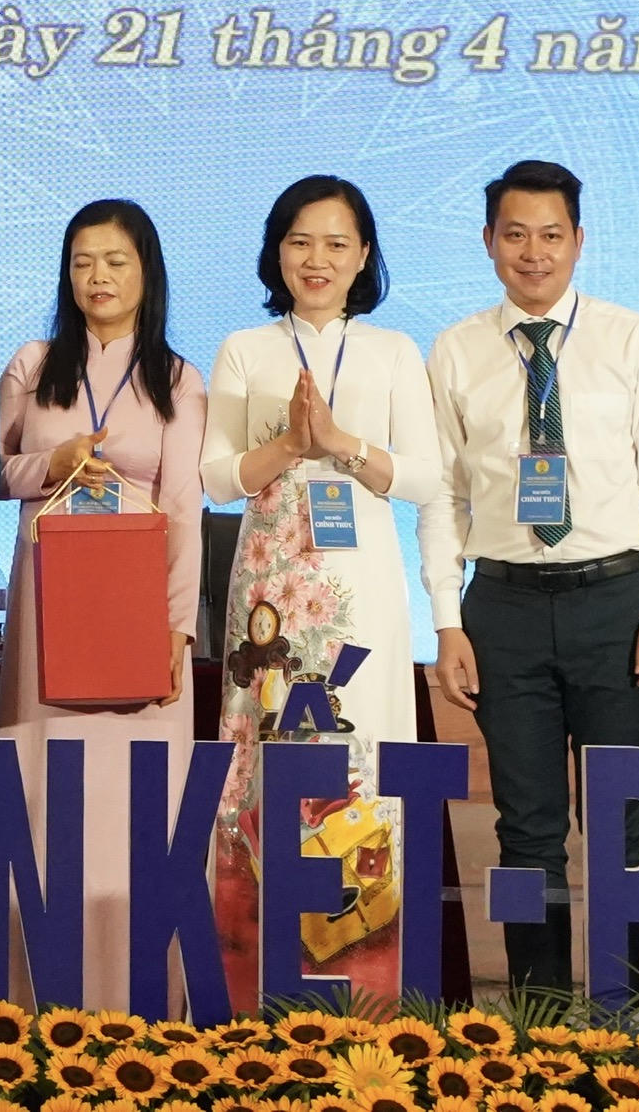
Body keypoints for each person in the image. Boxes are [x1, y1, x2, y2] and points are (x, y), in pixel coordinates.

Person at [419, 159, 639, 995]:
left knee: (620, 820)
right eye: (515, 235)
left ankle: (620, 1012)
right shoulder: (457, 348)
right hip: (501, 607)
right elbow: (442, 496)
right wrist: (447, 620)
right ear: (488, 242)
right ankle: (536, 1017)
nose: (533, 254)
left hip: (616, 601)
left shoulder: (630, 337)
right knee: (525, 828)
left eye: (550, 235)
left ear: (579, 241)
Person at [200, 174, 436, 1011]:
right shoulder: (244, 348)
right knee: (260, 760)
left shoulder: (394, 351)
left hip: (358, 590)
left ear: (364, 255)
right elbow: (215, 476)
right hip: (269, 593)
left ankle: (364, 989)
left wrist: (339, 442)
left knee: (357, 752)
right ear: (277, 251)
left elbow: (425, 478)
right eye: (300, 241)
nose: (317, 259)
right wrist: (288, 448)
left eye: (337, 244)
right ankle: (248, 985)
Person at [0, 199, 205, 1010]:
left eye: (115, 261)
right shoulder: (33, 363)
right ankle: (36, 1006)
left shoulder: (176, 377)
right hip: (51, 603)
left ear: (147, 271)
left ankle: (142, 1005)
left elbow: (183, 506)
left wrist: (176, 626)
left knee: (138, 807)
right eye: (82, 262)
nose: (98, 277)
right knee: (48, 799)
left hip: (136, 605)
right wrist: (53, 462)